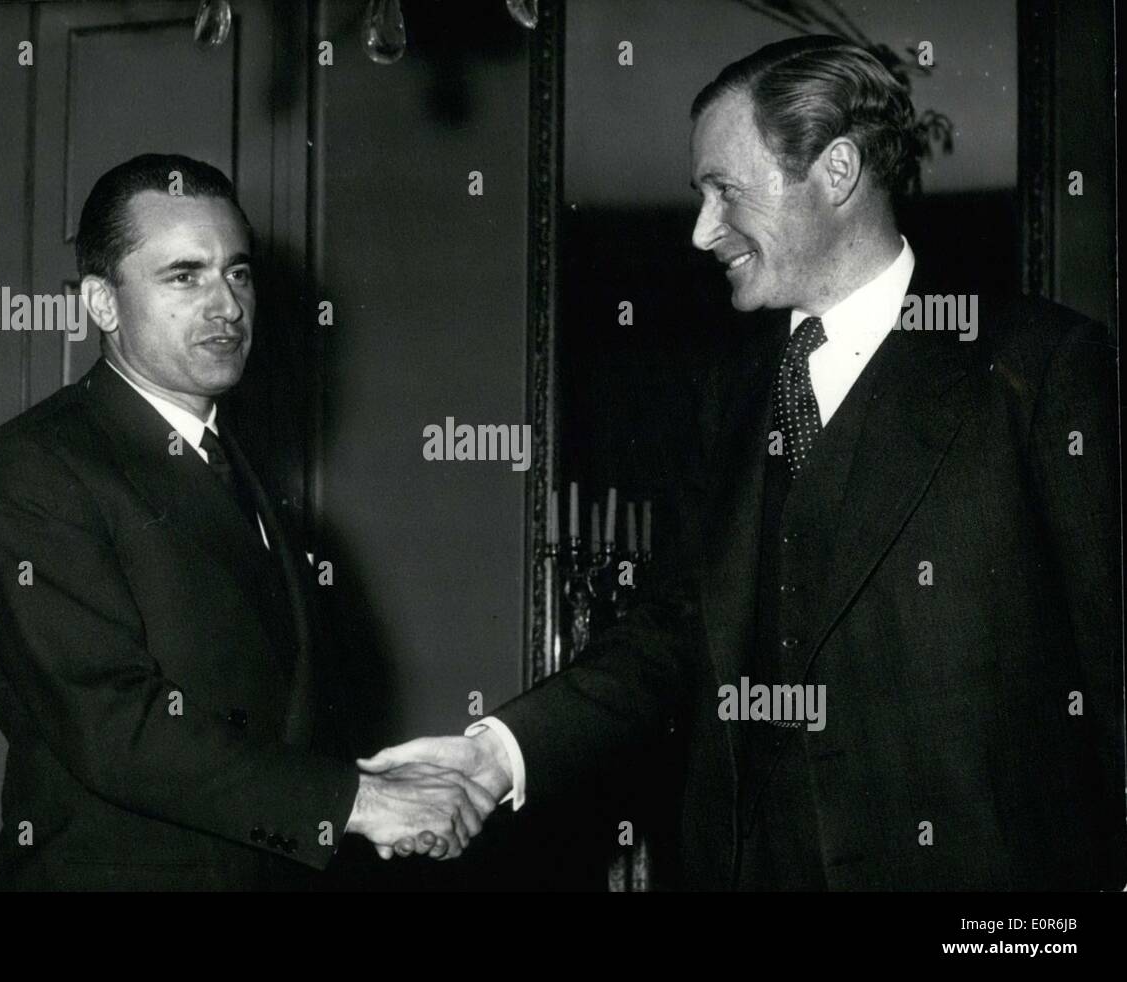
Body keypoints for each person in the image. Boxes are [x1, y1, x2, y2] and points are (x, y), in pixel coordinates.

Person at [362, 36, 1125, 890]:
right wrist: (498, 754)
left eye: (725, 191)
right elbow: (673, 635)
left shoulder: (1039, 367)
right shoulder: (728, 396)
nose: (700, 231)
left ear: (837, 172)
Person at [0, 154, 494, 890]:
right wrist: (360, 803)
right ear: (102, 305)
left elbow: (269, 711)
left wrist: (370, 788)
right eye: (185, 276)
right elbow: (114, 728)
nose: (227, 306)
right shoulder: (27, 472)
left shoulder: (232, 463)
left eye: (237, 273)